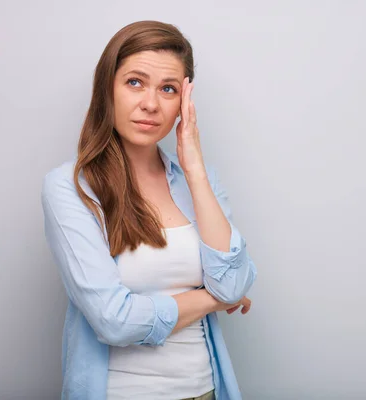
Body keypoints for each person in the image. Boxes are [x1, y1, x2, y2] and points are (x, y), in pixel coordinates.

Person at [41, 20, 257, 400]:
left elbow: (236, 281)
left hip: (205, 390)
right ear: (107, 87)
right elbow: (114, 320)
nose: (151, 104)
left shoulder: (199, 182)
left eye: (168, 89)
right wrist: (213, 299)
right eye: (135, 82)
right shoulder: (70, 188)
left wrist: (194, 169)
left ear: (183, 104)